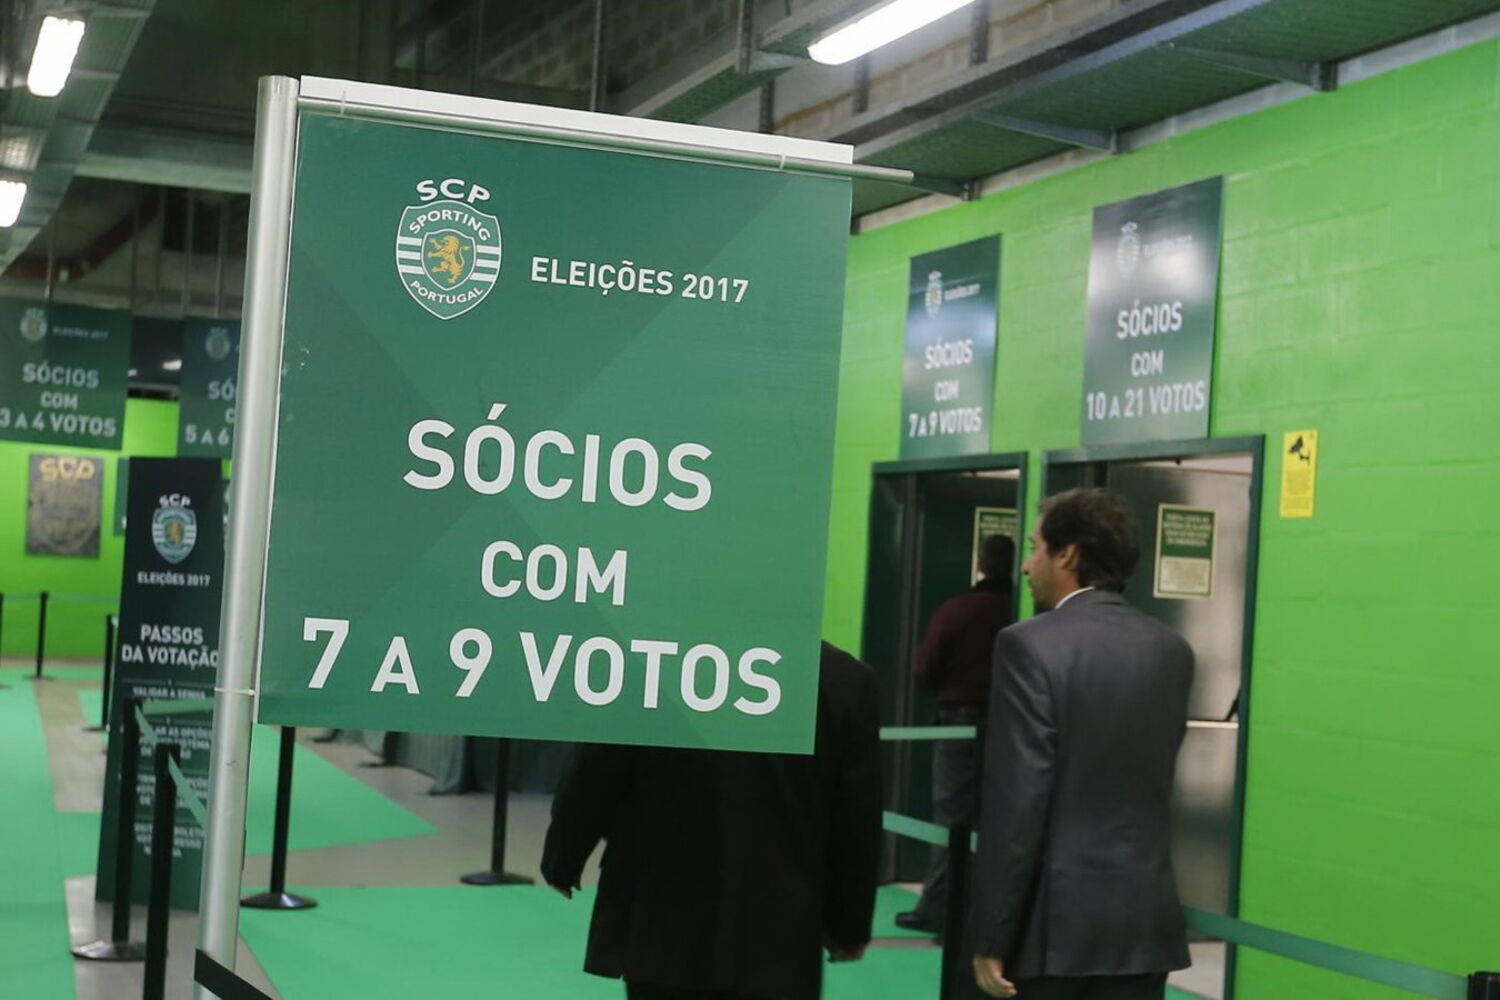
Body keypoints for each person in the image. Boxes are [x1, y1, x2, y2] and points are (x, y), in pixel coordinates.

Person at [541, 641, 883, 1000]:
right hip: (780, 937)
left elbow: (595, 770)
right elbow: (856, 818)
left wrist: (564, 858)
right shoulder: (844, 679)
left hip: (663, 929)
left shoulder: (656, 661)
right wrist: (850, 925)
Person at [970, 488, 1194, 1000]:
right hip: (1143, 929)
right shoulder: (1173, 651)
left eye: (1035, 548)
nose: (1026, 565)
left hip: (1052, 932)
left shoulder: (1026, 645)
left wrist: (992, 933)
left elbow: (1019, 800)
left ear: (1067, 554)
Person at [897, 532, 1016, 934]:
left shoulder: (958, 610)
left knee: (951, 815)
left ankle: (939, 907)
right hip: (1010, 721)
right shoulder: (1019, 613)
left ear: (980, 563)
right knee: (1002, 814)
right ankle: (986, 910)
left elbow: (926, 667)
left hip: (959, 720)